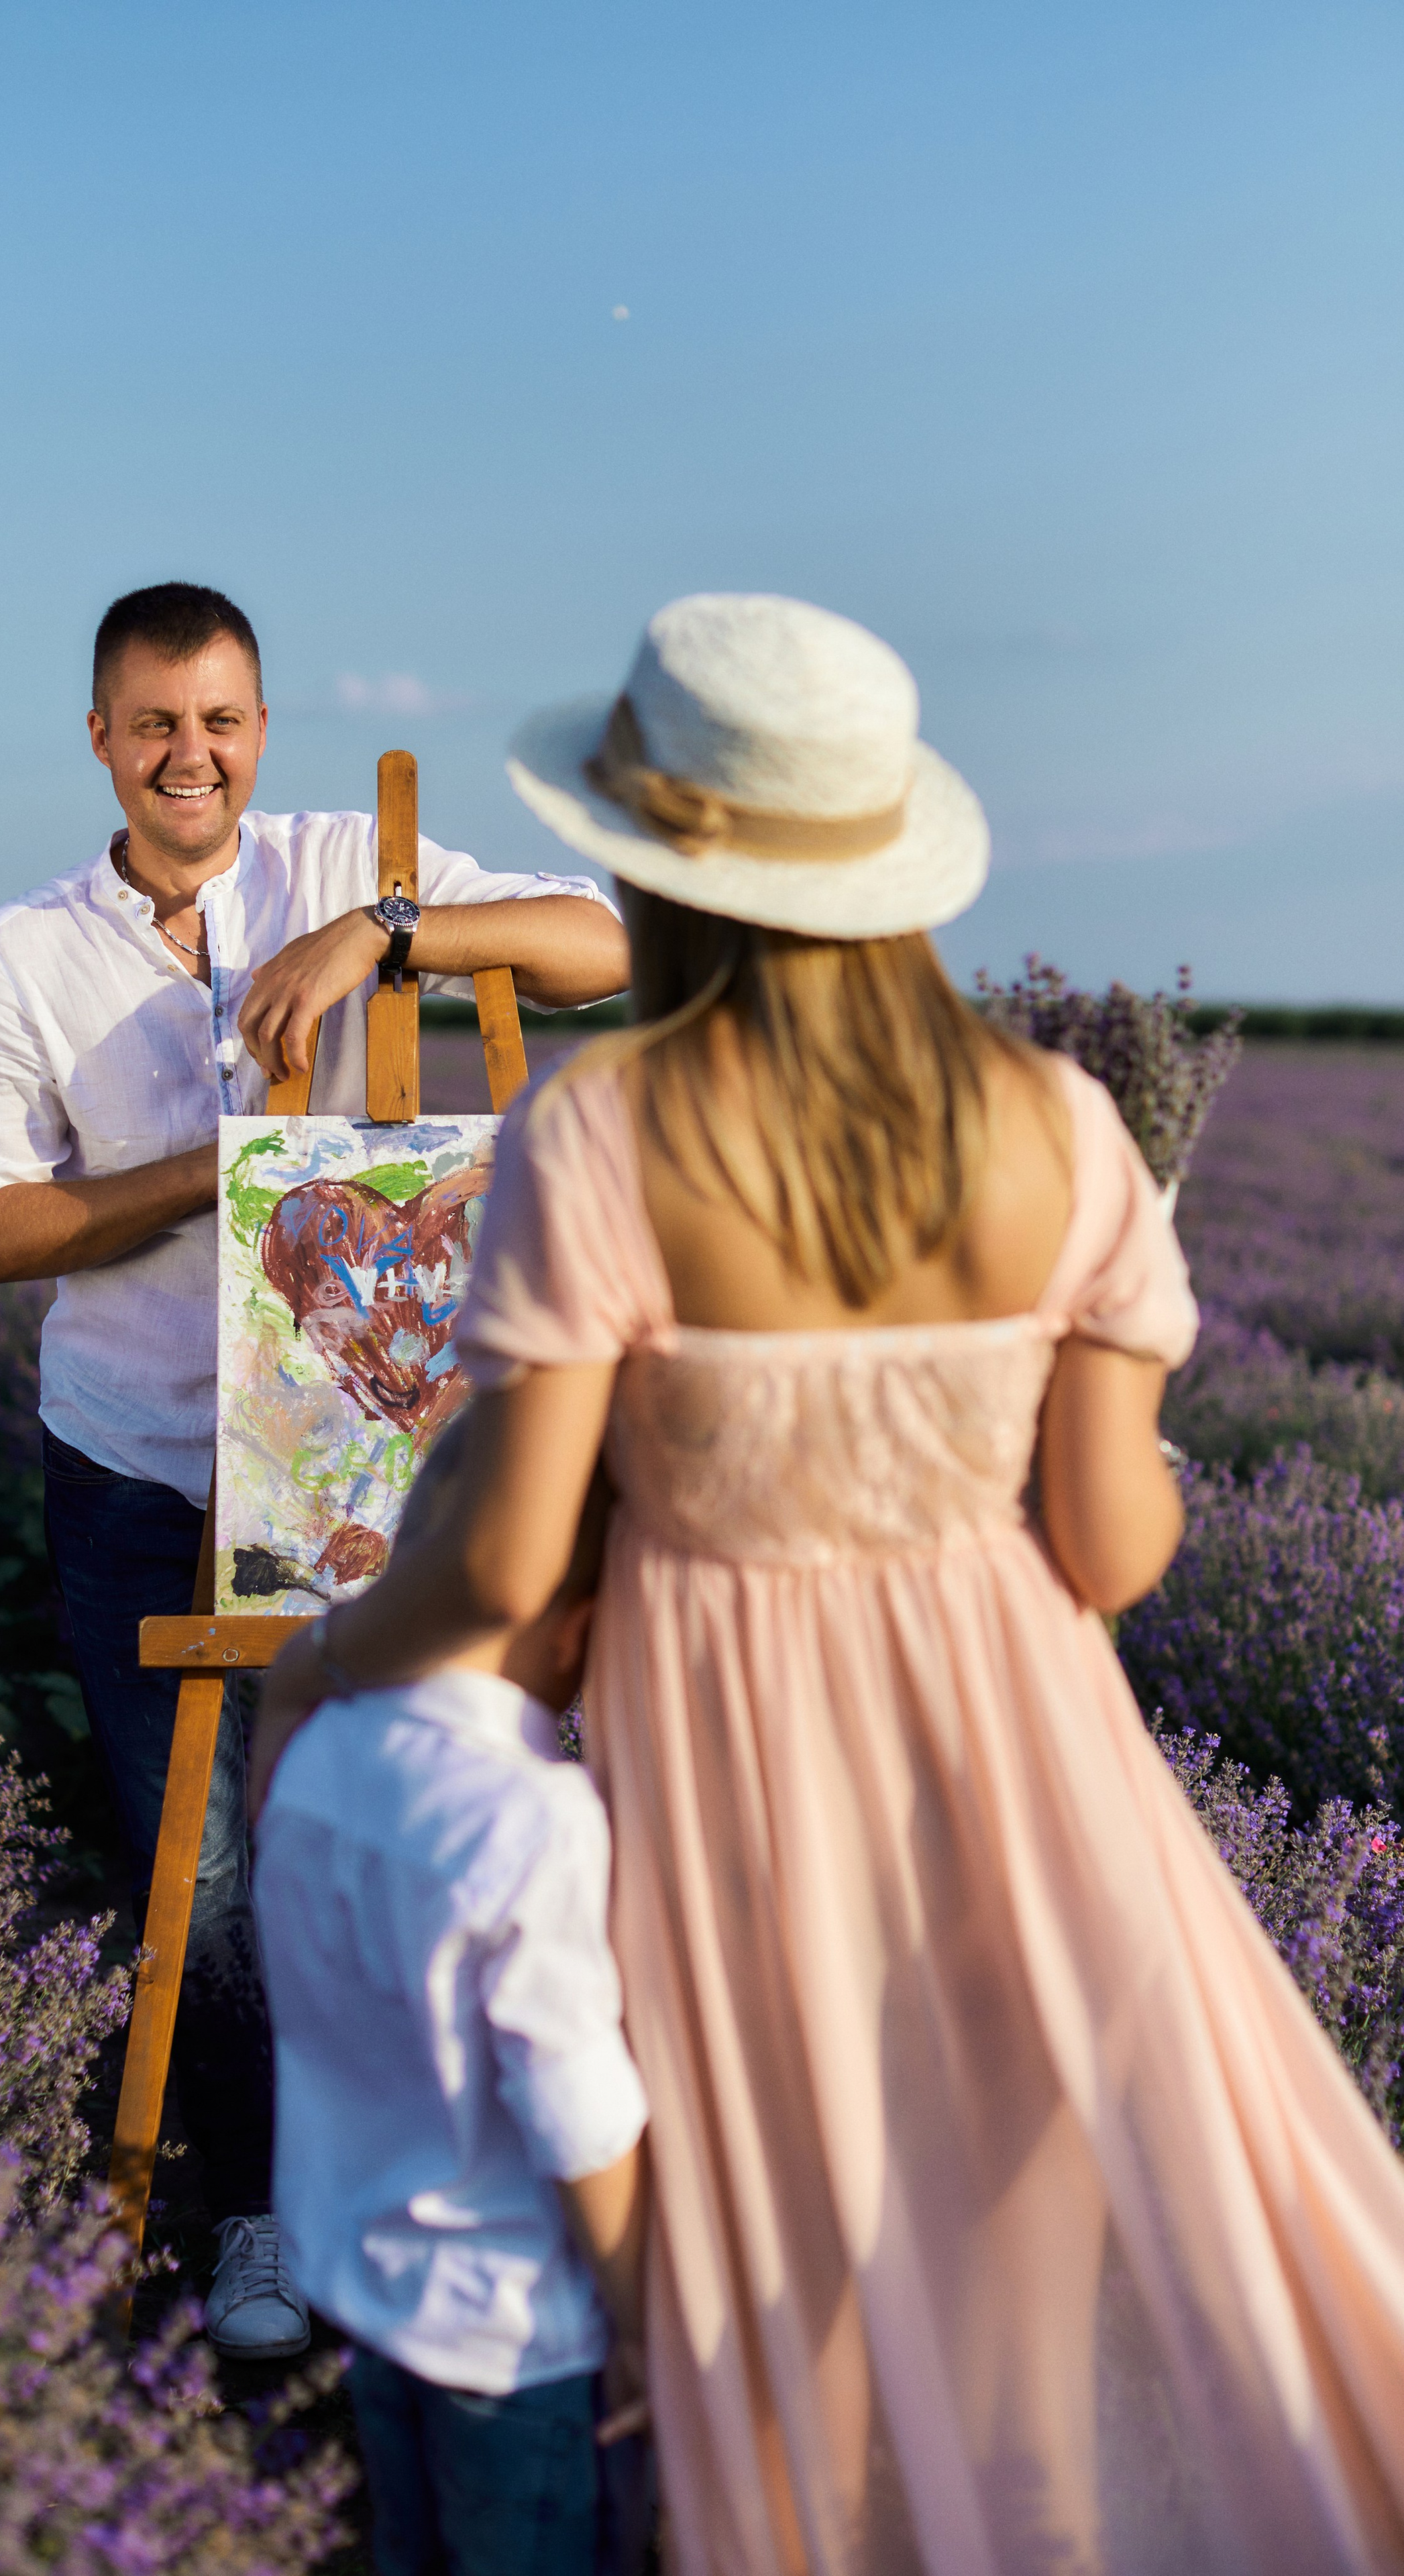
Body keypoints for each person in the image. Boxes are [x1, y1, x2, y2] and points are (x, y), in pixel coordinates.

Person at [253, 594, 1404, 2570]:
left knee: (786, 2311)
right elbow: (1116, 1550)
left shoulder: (604, 1126)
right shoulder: (1061, 1130)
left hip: (736, 1781)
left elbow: (511, 1552)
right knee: (1027, 2293)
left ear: (667, 867)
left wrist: (328, 1658)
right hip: (1032, 1768)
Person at [0, 581, 628, 2358]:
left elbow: (601, 941)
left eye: (223, 719)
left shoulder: (339, 860)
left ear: (263, 727)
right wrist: (222, 1168)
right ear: (100, 735)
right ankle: (256, 2212)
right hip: (143, 1473)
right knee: (213, 1876)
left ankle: (429, 2187)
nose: (193, 755)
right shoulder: (22, 953)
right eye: (156, 722)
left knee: (399, 1832)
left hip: (365, 1474)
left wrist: (389, 933)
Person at [253, 1416, 651, 2576]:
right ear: (580, 1634)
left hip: (366, 2289)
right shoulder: (534, 1819)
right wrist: (640, 2322)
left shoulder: (321, 1750)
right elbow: (577, 2112)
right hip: (520, 2332)